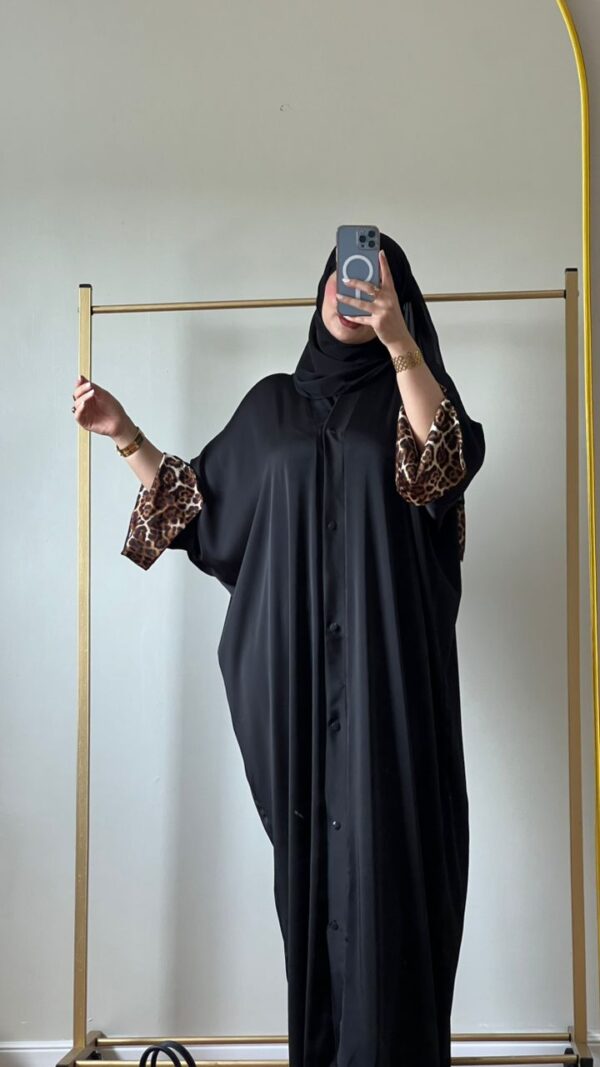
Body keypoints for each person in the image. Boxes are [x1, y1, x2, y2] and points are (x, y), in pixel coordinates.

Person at [71, 232, 485, 1067]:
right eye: (342, 271)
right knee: (318, 896)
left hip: (389, 701)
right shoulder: (271, 408)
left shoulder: (413, 396)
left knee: (393, 891)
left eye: (375, 277)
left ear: (399, 297)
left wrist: (401, 343)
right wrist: (124, 434)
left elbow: (441, 469)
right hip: (300, 708)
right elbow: (200, 511)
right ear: (322, 283)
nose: (351, 286)